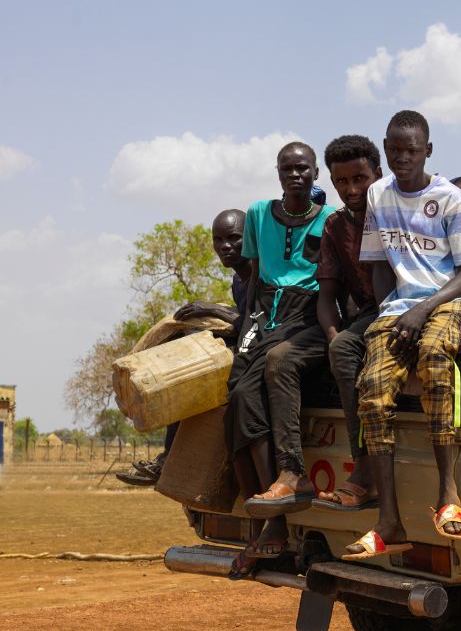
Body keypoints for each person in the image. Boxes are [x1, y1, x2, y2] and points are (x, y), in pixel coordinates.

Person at [344, 110, 461, 559]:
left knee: (433, 356)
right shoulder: (377, 195)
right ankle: (389, 520)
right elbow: (381, 267)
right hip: (403, 306)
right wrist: (392, 313)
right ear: (384, 149)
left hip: (452, 302)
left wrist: (424, 308)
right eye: (394, 149)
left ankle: (449, 495)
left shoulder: (449, 199)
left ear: (428, 151)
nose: (402, 157)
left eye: (412, 150)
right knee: (372, 385)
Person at [225, 143, 337, 577]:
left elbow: (332, 284)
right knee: (238, 397)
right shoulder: (256, 213)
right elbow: (253, 276)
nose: (295, 175)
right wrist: (244, 327)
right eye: (287, 168)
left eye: (302, 168)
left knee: (268, 373)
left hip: (306, 312)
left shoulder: (329, 221)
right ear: (278, 173)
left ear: (314, 174)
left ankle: (280, 507)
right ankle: (265, 518)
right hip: (264, 313)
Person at [116, 210, 251, 487]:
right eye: (219, 240)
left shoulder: (264, 274)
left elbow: (257, 322)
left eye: (234, 238)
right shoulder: (238, 279)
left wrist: (211, 308)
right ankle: (166, 456)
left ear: (250, 239)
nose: (225, 246)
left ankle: (170, 460)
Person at [311, 135, 384, 511]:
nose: (351, 190)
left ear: (379, 173)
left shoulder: (400, 210)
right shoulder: (336, 227)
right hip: (372, 313)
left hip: (414, 306)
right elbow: (326, 296)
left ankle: (369, 471)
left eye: (360, 179)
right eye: (341, 182)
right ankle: (364, 466)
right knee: (341, 348)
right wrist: (333, 334)